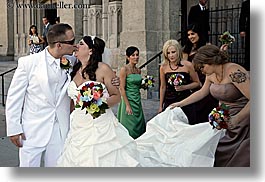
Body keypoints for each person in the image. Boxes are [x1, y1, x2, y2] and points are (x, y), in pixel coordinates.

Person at [57, 36, 140, 167]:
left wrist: (97, 103)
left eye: (81, 44)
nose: (76, 46)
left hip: (100, 125)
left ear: (90, 50)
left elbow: (116, 96)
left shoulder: (103, 69)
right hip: (78, 125)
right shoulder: (73, 68)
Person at [6, 23, 77, 167]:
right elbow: (14, 98)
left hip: (60, 128)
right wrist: (14, 128)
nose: (75, 46)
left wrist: (112, 79)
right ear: (59, 45)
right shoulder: (28, 63)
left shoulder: (71, 61)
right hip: (32, 129)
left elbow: (93, 65)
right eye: (72, 42)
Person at [170, 44, 250, 167]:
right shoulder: (210, 74)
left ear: (211, 61)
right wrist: (180, 104)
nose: (201, 70)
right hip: (223, 120)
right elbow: (202, 92)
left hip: (243, 119)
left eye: (202, 66)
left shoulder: (235, 71)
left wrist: (237, 119)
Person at [182, 24, 219, 124]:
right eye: (188, 35)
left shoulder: (207, 46)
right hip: (193, 82)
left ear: (199, 33)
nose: (190, 37)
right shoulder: (187, 49)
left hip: (206, 79)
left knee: (206, 108)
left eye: (193, 34)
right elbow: (185, 65)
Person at [158, 39, 200, 123]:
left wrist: (185, 87)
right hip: (169, 101)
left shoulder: (188, 65)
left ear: (178, 51)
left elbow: (197, 83)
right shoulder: (163, 67)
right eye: (168, 53)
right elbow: (163, 87)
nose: (171, 55)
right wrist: (160, 106)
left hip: (186, 101)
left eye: (173, 52)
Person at [117, 46, 146, 139]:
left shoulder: (138, 70)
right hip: (128, 99)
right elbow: (122, 88)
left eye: (137, 55)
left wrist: (145, 84)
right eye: (133, 55)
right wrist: (127, 105)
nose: (136, 57)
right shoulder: (124, 70)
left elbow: (137, 84)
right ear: (127, 57)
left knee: (139, 123)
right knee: (129, 124)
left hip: (137, 99)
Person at [239, 0, 250, 71]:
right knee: (249, 48)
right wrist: (242, 29)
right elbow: (242, 17)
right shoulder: (246, 3)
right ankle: (248, 67)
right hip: (250, 28)